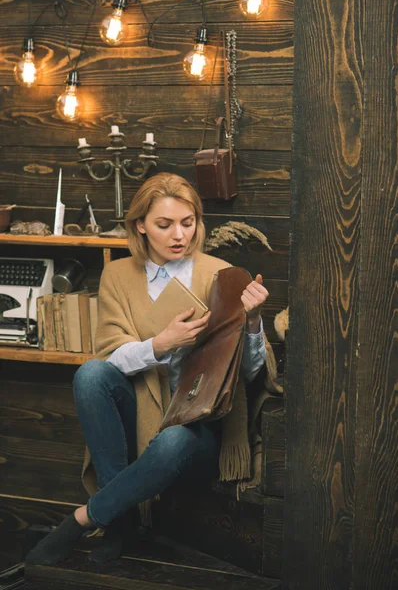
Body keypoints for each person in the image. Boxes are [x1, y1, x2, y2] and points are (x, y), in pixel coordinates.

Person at [25, 172, 282, 566]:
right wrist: (160, 345)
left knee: (174, 439)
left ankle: (87, 518)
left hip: (198, 429)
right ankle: (121, 520)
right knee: (90, 375)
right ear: (140, 226)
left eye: (188, 222)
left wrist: (252, 322)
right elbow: (109, 356)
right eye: (164, 225)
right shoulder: (118, 275)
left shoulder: (219, 272)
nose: (179, 234)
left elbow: (249, 376)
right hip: (140, 413)